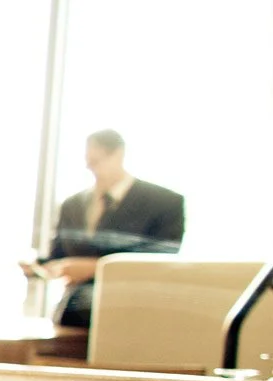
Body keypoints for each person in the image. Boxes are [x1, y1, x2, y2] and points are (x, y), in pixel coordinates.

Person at [25, 129, 185, 329]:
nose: (92, 169)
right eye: (89, 162)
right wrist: (38, 268)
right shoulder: (73, 205)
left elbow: (161, 260)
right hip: (72, 314)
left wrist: (95, 267)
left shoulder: (164, 203)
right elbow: (58, 255)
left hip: (130, 314)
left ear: (118, 154)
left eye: (97, 161)